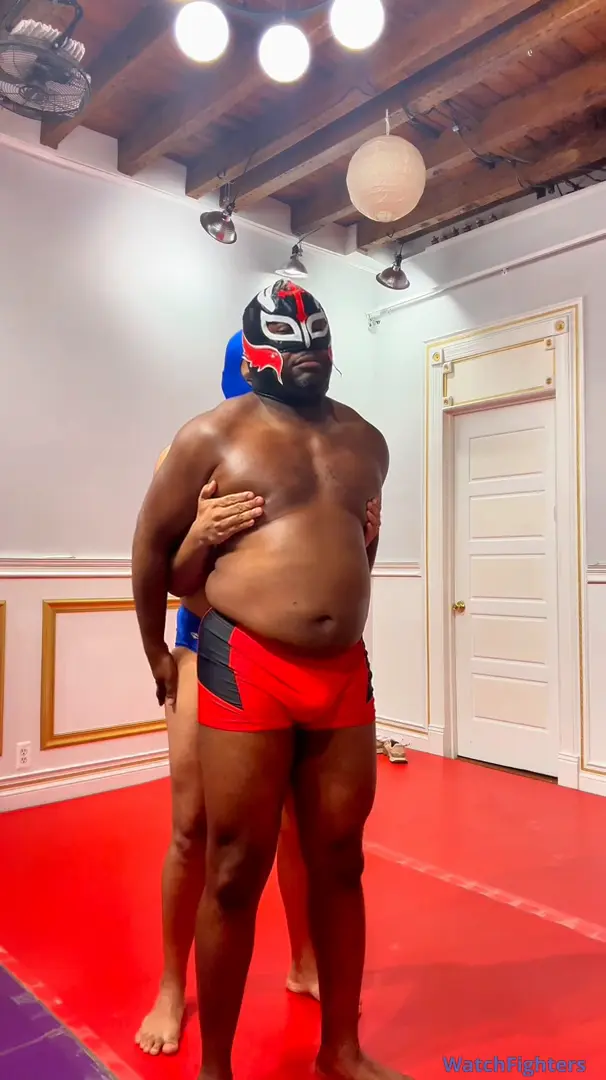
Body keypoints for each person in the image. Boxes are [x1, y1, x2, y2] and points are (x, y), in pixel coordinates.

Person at [132, 281, 409, 1080]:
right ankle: (215, 1067)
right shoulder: (209, 436)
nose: (306, 356)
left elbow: (349, 551)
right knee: (230, 865)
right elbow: (153, 551)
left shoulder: (368, 442)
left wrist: (364, 552)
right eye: (289, 343)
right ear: (256, 353)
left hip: (342, 671)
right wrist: (156, 653)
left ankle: (341, 1050)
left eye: (315, 342)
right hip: (243, 662)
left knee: (340, 859)